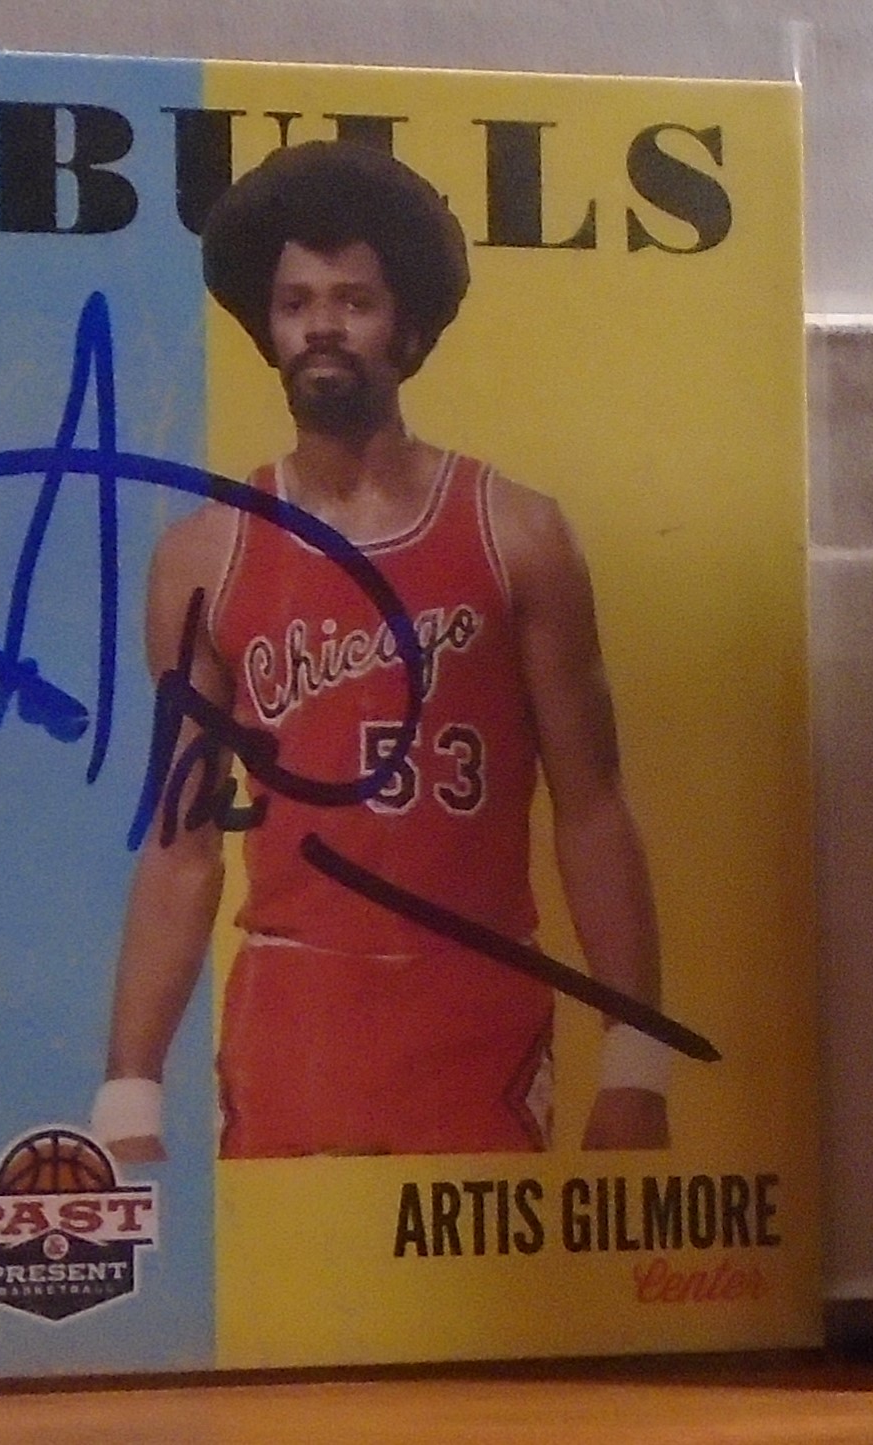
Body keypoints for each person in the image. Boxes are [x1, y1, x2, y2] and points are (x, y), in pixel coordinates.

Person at [89, 140, 669, 1160]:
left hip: (474, 1002)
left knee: (483, 1269)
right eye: (295, 302)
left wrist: (637, 1064)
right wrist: (127, 1095)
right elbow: (182, 847)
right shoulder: (205, 555)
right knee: (286, 1270)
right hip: (293, 1016)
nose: (322, 324)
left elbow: (590, 805)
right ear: (268, 329)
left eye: (353, 300)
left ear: (407, 327)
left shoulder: (516, 533)